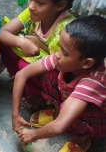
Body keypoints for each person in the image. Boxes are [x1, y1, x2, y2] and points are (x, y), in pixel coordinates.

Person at [12, 15, 106, 151]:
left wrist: (34, 135)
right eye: (60, 47)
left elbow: (59, 126)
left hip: (97, 117)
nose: (57, 54)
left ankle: (82, 141)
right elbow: (22, 74)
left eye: (65, 52)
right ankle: (57, 114)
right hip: (72, 98)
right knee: (49, 74)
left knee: (73, 118)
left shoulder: (94, 81)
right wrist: (15, 114)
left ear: (87, 63)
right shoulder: (65, 60)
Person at [0, 0, 81, 107]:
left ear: (60, 5)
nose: (31, 6)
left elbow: (62, 66)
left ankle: (42, 96)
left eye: (39, 2)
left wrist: (38, 43)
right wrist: (21, 42)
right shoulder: (33, 12)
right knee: (4, 43)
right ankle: (22, 80)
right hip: (38, 58)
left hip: (57, 70)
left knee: (25, 65)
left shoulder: (66, 30)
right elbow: (4, 32)